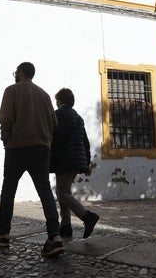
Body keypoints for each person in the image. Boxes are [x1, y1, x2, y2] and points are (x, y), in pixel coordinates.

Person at [0, 62, 64, 258]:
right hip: (41, 149)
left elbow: (5, 118)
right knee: (45, 191)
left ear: (20, 72)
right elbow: (54, 123)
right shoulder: (45, 95)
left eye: (16, 72)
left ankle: (3, 234)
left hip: (17, 148)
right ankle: (54, 237)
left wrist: (6, 139)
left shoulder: (12, 90)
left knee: (9, 190)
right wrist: (45, 139)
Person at [51, 88, 100, 239]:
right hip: (76, 161)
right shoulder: (78, 117)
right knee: (63, 192)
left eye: (57, 99)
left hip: (64, 159)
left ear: (60, 100)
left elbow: (57, 137)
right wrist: (86, 163)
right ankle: (65, 227)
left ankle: (87, 216)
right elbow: (85, 142)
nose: (56, 102)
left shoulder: (59, 114)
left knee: (63, 192)